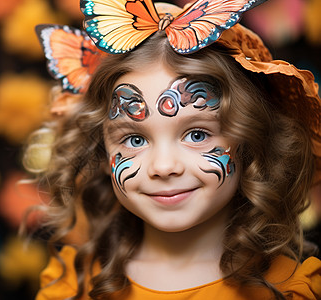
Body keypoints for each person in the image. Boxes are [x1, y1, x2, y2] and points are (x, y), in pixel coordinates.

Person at [27, 1, 321, 299]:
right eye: (135, 139)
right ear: (100, 152)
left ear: (249, 140)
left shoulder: (291, 290)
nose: (164, 166)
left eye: (196, 134)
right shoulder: (72, 287)